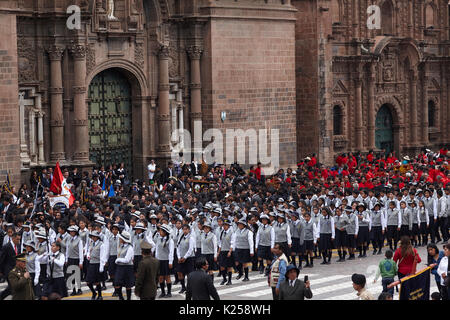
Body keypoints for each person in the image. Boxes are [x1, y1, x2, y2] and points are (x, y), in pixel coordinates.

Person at [114, 230, 135, 300]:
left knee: (128, 285)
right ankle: (121, 297)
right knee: (117, 283)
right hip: (120, 267)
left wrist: (118, 260)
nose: (119, 239)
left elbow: (127, 260)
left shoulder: (130, 248)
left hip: (127, 267)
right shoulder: (121, 246)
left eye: (120, 238)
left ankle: (128, 298)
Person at [154, 224, 174, 298]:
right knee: (160, 277)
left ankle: (169, 292)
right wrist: (156, 259)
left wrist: (170, 262)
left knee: (167, 277)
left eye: (161, 231)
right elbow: (157, 249)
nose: (159, 232)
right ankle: (162, 292)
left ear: (165, 232)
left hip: (166, 260)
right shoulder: (159, 238)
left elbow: (171, 252)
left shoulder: (170, 240)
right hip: (159, 260)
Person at [0, 232, 21, 299]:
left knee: (11, 288)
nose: (19, 241)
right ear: (13, 238)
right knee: (13, 287)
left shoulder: (18, 246)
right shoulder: (6, 246)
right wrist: (1, 271)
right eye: (17, 239)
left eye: (19, 239)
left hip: (16, 271)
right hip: (8, 271)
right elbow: (1, 259)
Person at [176, 224, 196, 292]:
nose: (184, 231)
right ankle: (183, 287)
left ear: (189, 230)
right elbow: (178, 247)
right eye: (183, 229)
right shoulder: (180, 237)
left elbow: (190, 249)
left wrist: (185, 257)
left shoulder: (191, 238)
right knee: (180, 273)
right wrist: (179, 257)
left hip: (189, 258)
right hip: (181, 258)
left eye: (186, 229)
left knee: (189, 274)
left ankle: (189, 288)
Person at [217, 219, 235, 285]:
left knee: (229, 266)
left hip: (228, 250)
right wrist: (218, 252)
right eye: (224, 225)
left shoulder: (231, 233)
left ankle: (229, 280)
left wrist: (230, 251)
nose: (224, 226)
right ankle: (224, 278)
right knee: (222, 266)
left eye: (226, 225)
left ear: (228, 226)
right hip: (222, 251)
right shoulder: (222, 232)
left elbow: (232, 243)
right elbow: (220, 243)